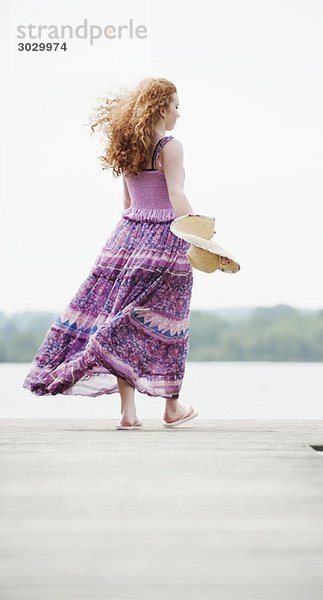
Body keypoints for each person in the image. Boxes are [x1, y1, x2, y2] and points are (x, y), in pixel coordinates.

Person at [22, 77, 199, 430]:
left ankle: (129, 413)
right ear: (162, 108)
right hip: (165, 238)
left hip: (125, 239)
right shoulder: (171, 145)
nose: (180, 112)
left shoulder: (129, 144)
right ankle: (171, 408)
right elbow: (176, 195)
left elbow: (128, 202)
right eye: (177, 105)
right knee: (169, 324)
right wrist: (196, 234)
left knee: (121, 322)